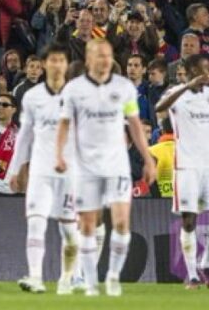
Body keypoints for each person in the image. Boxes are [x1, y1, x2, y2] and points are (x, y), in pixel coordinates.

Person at [54, 38, 157, 297]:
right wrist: (59, 155)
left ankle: (112, 276)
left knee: (122, 223)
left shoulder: (123, 88)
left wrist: (147, 158)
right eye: (99, 56)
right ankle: (88, 281)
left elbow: (134, 124)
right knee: (88, 223)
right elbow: (64, 125)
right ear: (88, 59)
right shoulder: (74, 90)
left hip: (117, 165)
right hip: (86, 165)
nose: (104, 61)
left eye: (108, 55)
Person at [154, 54, 209, 290]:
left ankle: (205, 264)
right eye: (203, 68)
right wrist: (186, 86)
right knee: (189, 221)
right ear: (189, 70)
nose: (207, 72)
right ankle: (192, 275)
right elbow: (159, 108)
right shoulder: (176, 93)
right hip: (186, 166)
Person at [10, 45, 78, 294]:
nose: (57, 65)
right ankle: (36, 277)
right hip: (40, 169)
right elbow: (25, 135)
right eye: (53, 60)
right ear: (44, 64)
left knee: (69, 228)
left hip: (69, 172)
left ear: (66, 65)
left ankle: (67, 278)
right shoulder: (32, 97)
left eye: (62, 60)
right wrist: (15, 169)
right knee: (36, 221)